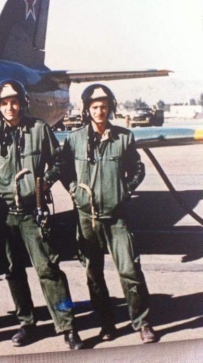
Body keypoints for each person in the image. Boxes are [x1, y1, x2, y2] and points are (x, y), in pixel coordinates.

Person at [0, 79, 84, 350]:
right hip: (5, 214)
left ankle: (68, 325)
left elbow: (61, 161)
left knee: (49, 270)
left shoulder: (39, 129)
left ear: (23, 103)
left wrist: (45, 182)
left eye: (14, 101)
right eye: (4, 103)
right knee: (13, 271)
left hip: (32, 213)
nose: (10, 107)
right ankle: (27, 322)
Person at [61, 83, 157, 343]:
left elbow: (138, 169)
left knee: (130, 271)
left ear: (110, 108)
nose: (100, 111)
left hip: (117, 217)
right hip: (87, 217)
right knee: (94, 274)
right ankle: (107, 324)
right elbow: (64, 169)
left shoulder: (124, 137)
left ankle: (142, 322)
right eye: (95, 107)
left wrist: (123, 191)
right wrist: (75, 191)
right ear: (87, 109)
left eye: (104, 106)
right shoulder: (74, 139)